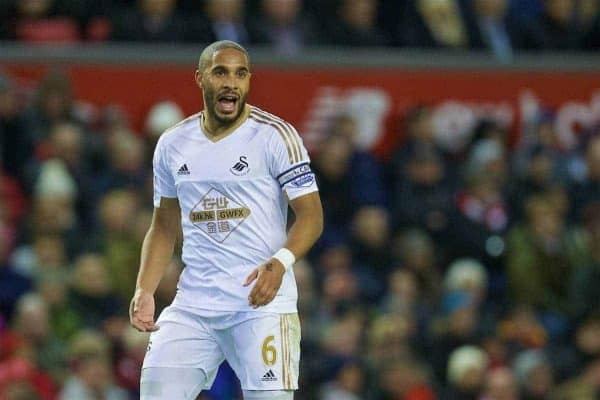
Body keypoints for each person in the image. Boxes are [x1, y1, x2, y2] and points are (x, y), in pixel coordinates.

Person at [129, 40, 323, 400]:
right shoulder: (172, 144)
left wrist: (280, 263)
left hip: (260, 304)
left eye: (241, 73)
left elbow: (312, 216)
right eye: (220, 72)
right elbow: (163, 226)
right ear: (200, 79)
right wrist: (145, 288)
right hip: (194, 303)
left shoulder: (276, 136)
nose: (231, 82)